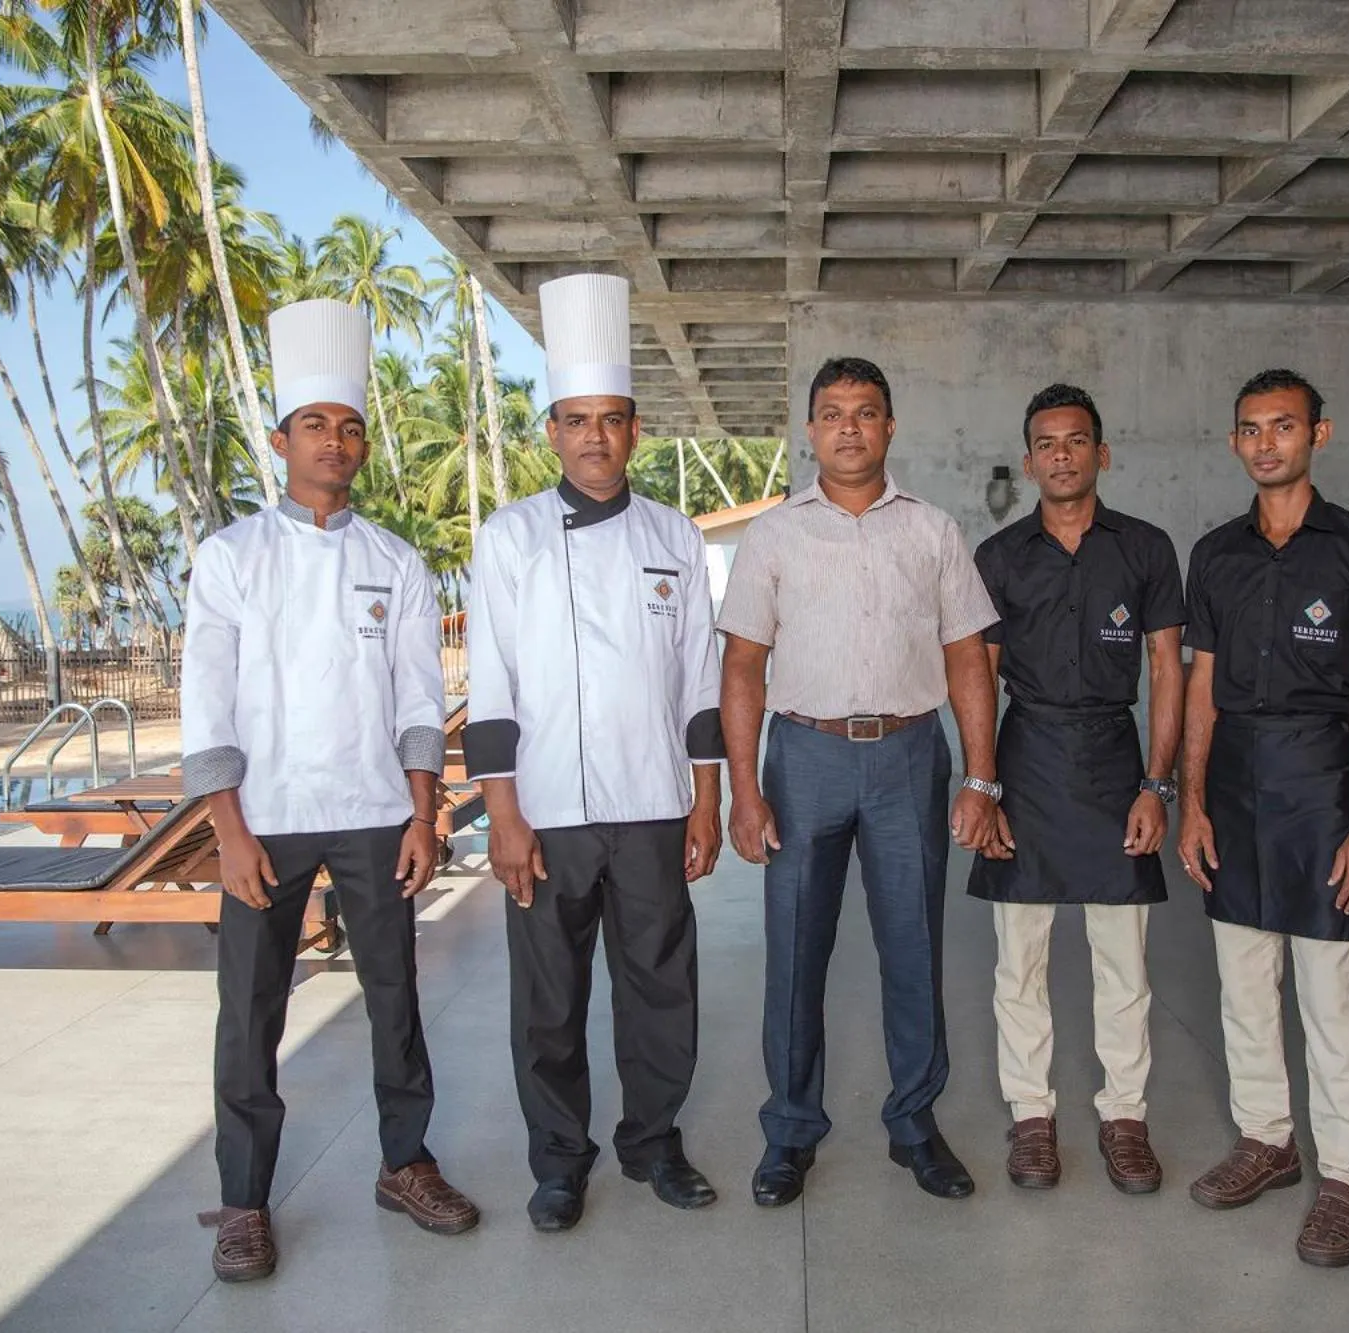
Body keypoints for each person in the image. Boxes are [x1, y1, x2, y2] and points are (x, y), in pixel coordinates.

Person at [183, 298, 477, 1284]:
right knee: (251, 1011)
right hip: (262, 817)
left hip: (372, 814)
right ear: (280, 440)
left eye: (349, 426)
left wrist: (425, 810)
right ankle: (244, 1199)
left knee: (394, 997)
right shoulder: (229, 559)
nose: (336, 441)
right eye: (316, 424)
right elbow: (208, 705)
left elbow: (415, 699)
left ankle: (405, 1162)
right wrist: (226, 830)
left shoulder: (395, 561)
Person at [461, 273, 725, 1233]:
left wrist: (708, 800)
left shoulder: (675, 537)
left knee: (661, 985)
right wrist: (502, 816)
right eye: (576, 420)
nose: (595, 437)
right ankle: (559, 1162)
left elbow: (700, 680)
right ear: (552, 432)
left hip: (653, 803)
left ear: (635, 429)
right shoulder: (509, 538)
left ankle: (654, 1141)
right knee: (550, 1000)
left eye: (612, 420)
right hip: (546, 812)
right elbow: (489, 685)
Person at [718, 356, 1000, 1208]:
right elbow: (741, 666)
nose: (849, 426)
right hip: (803, 758)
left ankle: (915, 1124)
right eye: (833, 412)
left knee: (913, 947)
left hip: (911, 757)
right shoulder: (774, 533)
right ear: (810, 431)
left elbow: (968, 659)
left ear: (889, 427)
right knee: (796, 952)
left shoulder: (933, 531)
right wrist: (744, 787)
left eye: (866, 412)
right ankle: (790, 1130)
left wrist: (981, 778)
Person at [1176, 368, 1349, 1269]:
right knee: (1241, 981)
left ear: (1320, 433)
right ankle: (1267, 1142)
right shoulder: (1215, 554)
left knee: (1329, 993)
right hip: (1232, 785)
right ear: (1235, 442)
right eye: (1251, 428)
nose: (1266, 441)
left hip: (1323, 783)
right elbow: (1200, 686)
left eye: (1284, 426)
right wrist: (1191, 801)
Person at [969, 384, 1185, 1194]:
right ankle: (1031, 1116)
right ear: (1029, 461)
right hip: (1024, 760)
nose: (1061, 454)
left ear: (1102, 451)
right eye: (1047, 443)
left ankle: (1124, 1116)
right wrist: (981, 783)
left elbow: (1167, 668)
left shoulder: (1146, 549)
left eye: (1076, 440)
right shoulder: (998, 557)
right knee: (1018, 959)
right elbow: (979, 679)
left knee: (1122, 960)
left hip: (1112, 760)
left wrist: (1155, 784)